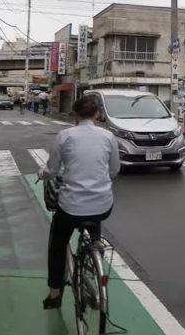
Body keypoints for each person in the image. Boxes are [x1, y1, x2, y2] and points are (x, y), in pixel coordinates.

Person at [41, 95, 120, 309]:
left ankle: (55, 293)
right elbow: (114, 170)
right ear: (96, 114)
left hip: (71, 206)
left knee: (57, 244)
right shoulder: (108, 136)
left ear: (75, 114)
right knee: (94, 221)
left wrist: (43, 174)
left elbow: (52, 170)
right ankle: (94, 256)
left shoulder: (65, 136)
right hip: (102, 204)